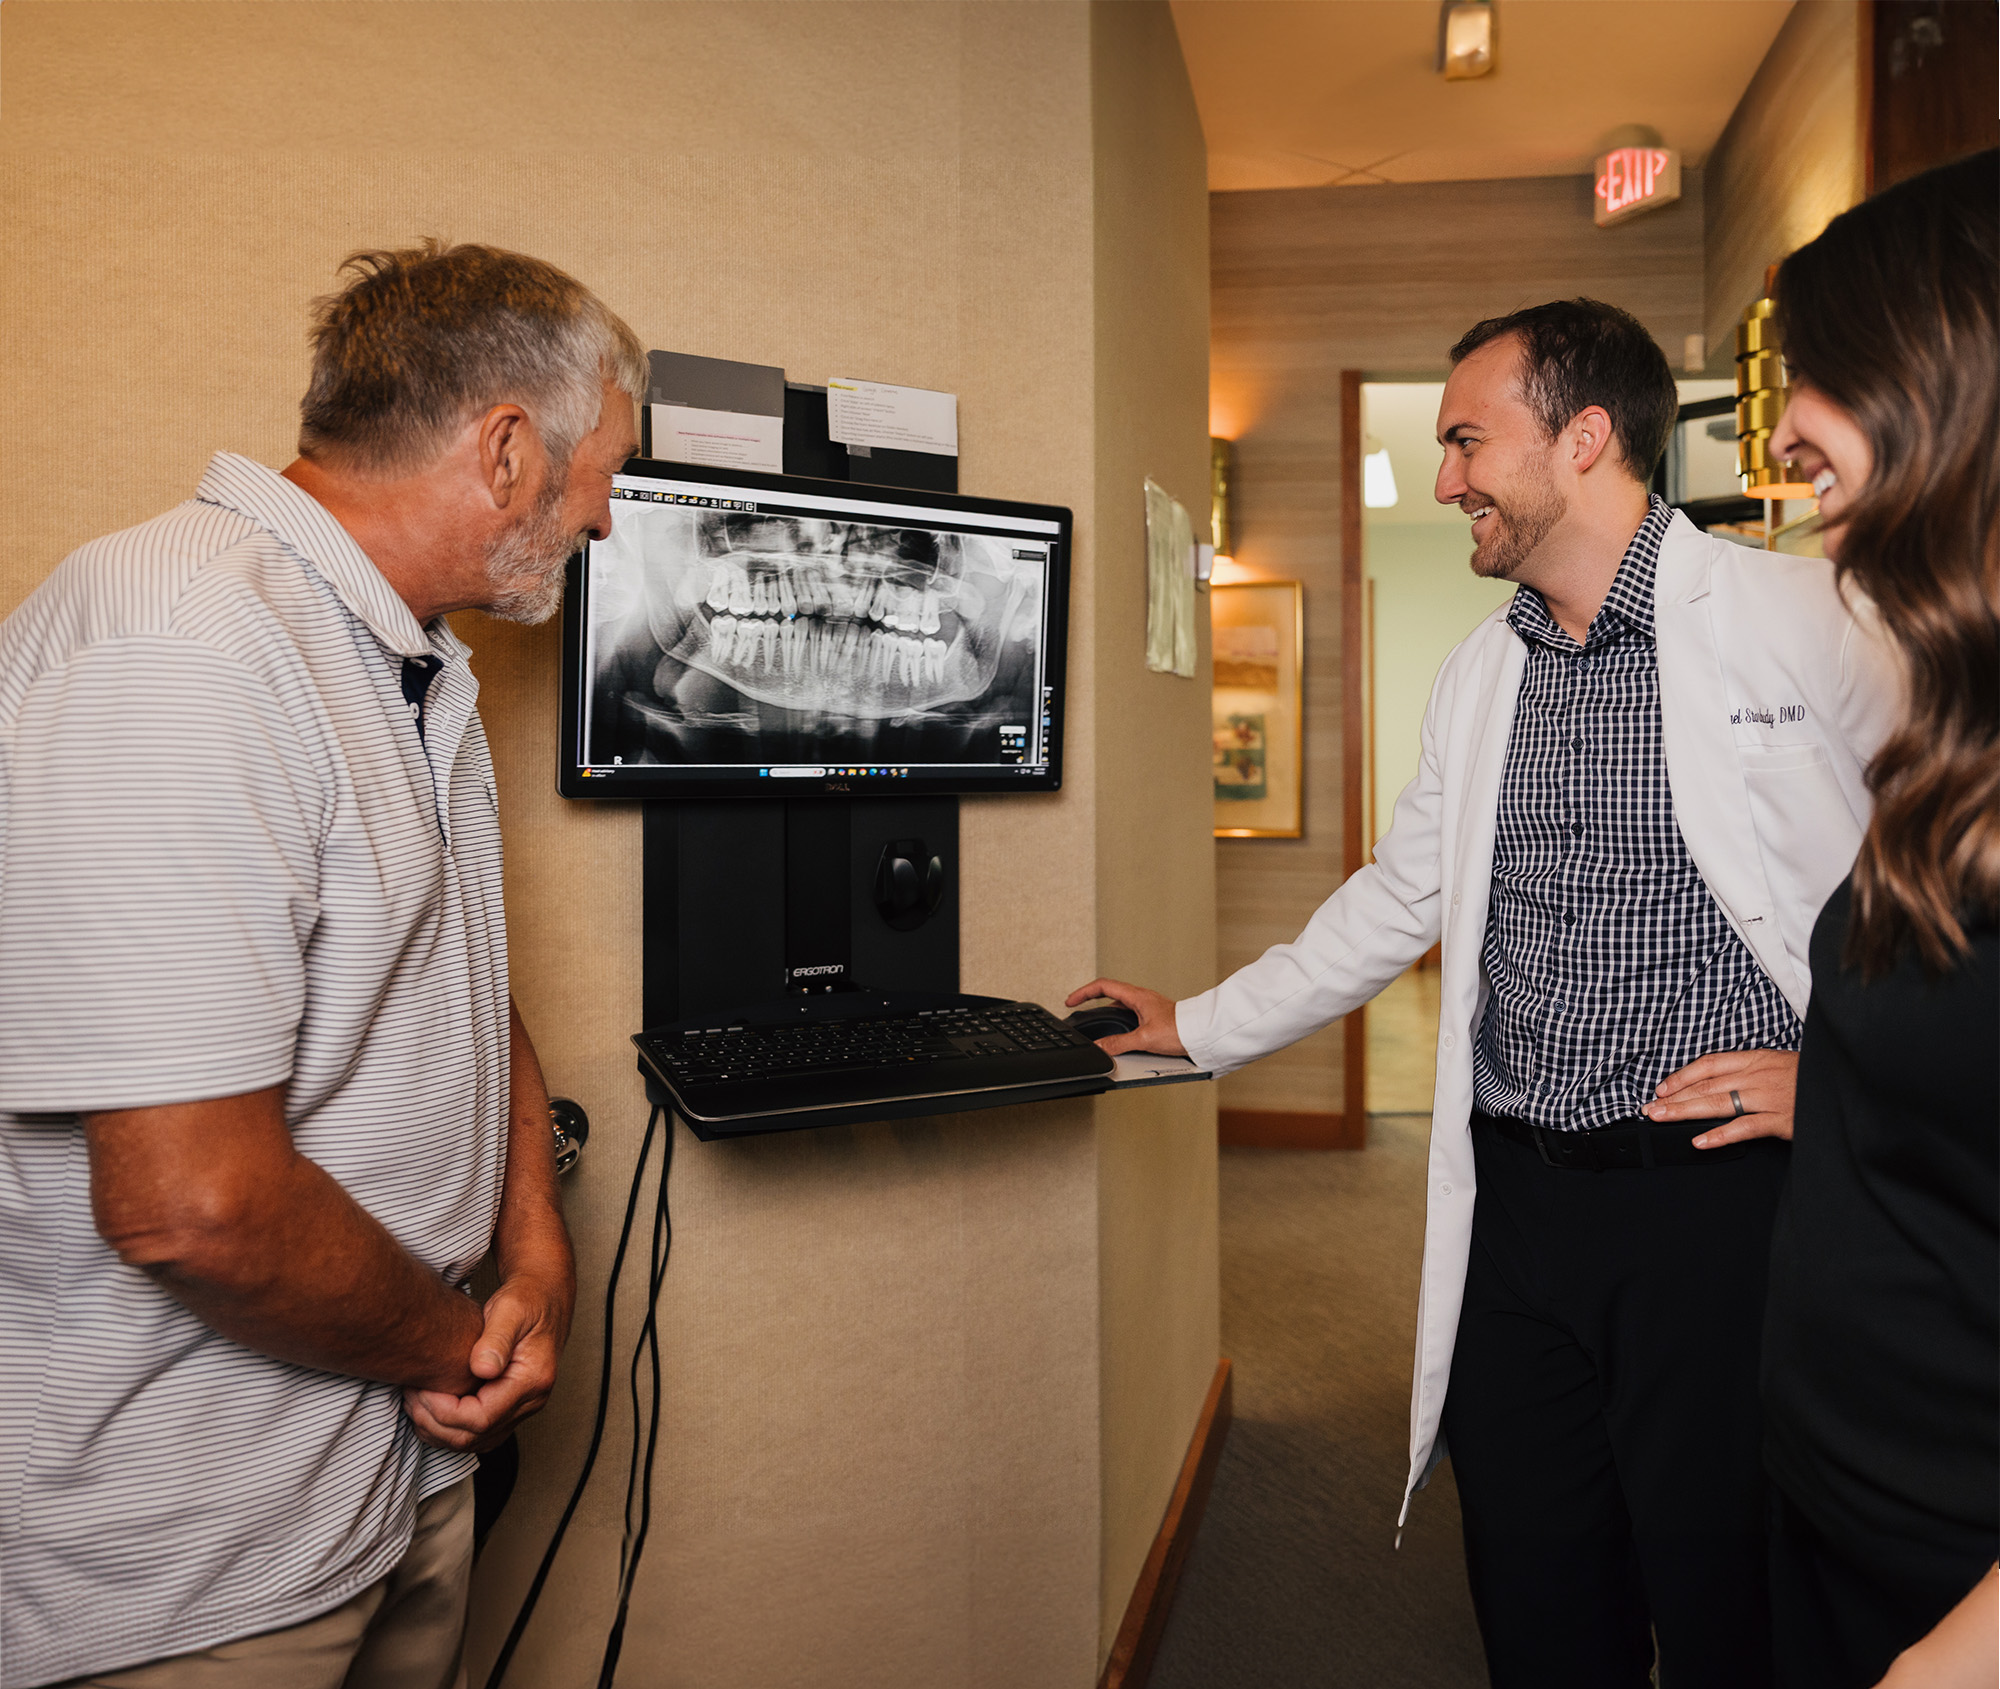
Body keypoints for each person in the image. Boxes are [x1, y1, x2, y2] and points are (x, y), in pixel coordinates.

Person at [1072, 297, 1901, 1686]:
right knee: (1535, 1586)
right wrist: (1197, 1025)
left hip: (1717, 1201)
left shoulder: (1806, 618)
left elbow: (1945, 880)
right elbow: (1400, 896)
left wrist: (1849, 1075)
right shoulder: (1482, 672)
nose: (1447, 474)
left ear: (1584, 438)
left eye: (1466, 439)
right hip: (1517, 1205)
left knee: (1725, 1596)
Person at [0, 242, 644, 1688]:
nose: (605, 517)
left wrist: (533, 1242)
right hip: (192, 1551)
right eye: (606, 471)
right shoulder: (185, 649)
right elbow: (191, 1203)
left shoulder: (406, 657)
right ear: (504, 450)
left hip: (384, 1471)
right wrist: (454, 1337)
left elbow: (458, 976)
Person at [1753, 149, 1999, 1689]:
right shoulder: (1955, 743)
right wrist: (1835, 1088)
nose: (1822, 536)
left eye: (1827, 470)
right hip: (1840, 1508)